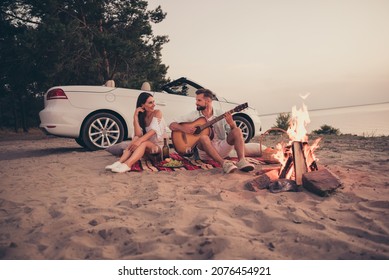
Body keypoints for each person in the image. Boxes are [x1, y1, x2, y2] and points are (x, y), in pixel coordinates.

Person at [169, 88, 254, 174]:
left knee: (237, 130)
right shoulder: (194, 115)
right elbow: (171, 125)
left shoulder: (220, 113)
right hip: (204, 151)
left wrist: (231, 123)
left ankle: (242, 161)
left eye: (199, 100)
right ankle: (223, 163)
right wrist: (184, 129)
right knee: (204, 137)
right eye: (196, 100)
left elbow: (234, 134)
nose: (196, 103)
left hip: (221, 147)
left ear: (208, 101)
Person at [105, 92, 167, 173]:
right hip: (146, 150)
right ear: (142, 105)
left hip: (157, 150)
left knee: (141, 141)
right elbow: (138, 134)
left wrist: (139, 141)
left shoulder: (157, 112)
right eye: (150, 103)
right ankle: (119, 162)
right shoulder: (142, 116)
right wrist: (135, 116)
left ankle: (127, 165)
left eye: (153, 102)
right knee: (136, 138)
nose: (154, 104)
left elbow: (153, 131)